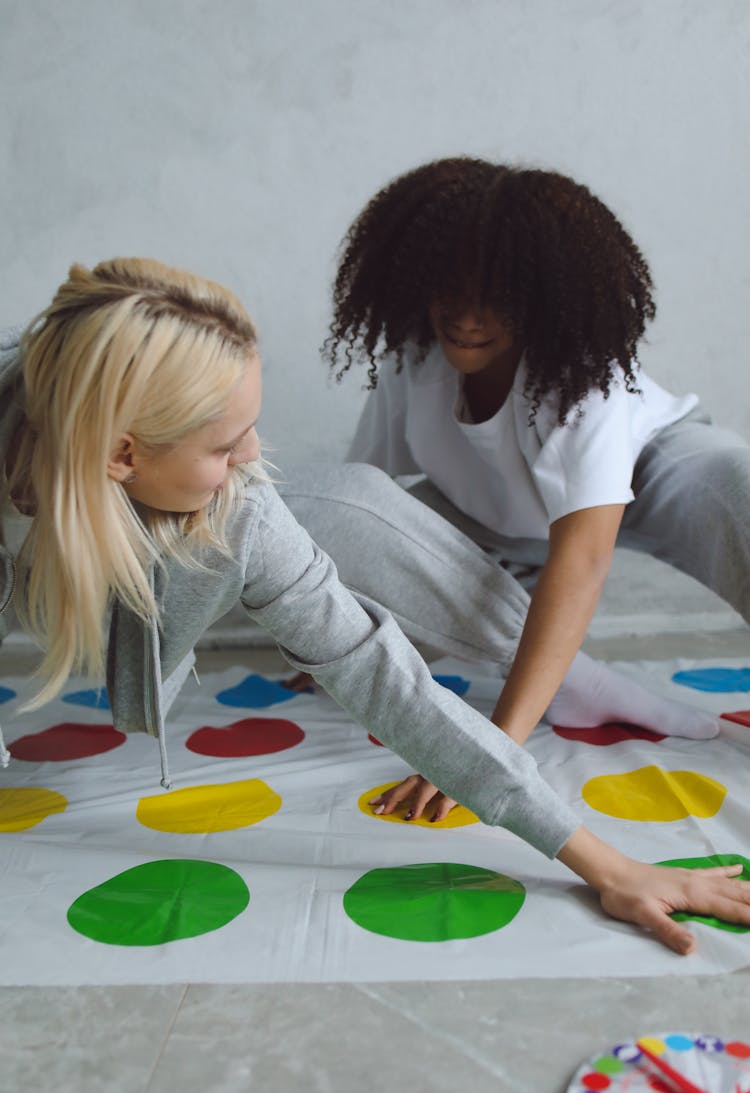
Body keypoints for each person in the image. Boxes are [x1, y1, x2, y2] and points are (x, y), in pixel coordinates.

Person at [2, 257, 749, 956]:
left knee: (344, 506)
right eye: (225, 447)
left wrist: (607, 866)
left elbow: (396, 690)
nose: (255, 457)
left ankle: (570, 674)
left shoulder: (244, 515)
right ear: (122, 454)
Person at [279, 156, 750, 823]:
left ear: (541, 295)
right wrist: (343, 629)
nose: (468, 316)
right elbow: (361, 508)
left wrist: (491, 745)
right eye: (451, 289)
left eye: (497, 296)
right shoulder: (413, 357)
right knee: (324, 500)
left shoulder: (581, 376)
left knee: (740, 481)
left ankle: (560, 680)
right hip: (492, 524)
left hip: (648, 476)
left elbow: (582, 559)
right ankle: (579, 683)